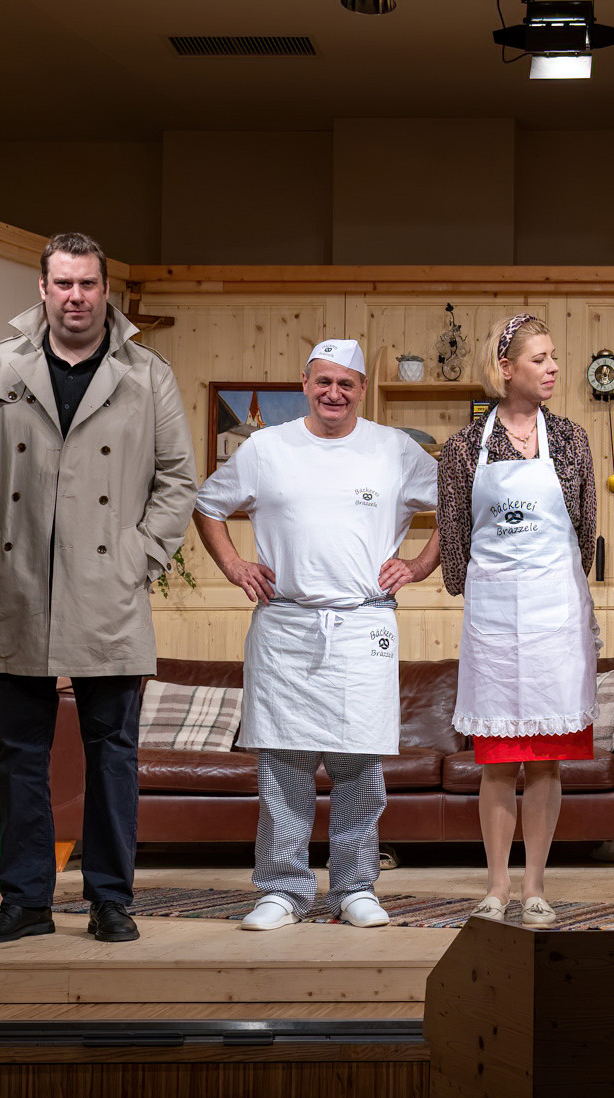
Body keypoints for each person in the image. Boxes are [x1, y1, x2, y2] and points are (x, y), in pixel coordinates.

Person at [0, 232, 197, 945]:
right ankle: (25, 902)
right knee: (18, 754)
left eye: (87, 284)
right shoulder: (0, 366)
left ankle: (111, 900)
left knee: (111, 753)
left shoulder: (148, 374)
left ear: (105, 290)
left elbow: (178, 477)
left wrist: (140, 556)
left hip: (107, 586)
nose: (76, 297)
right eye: (63, 284)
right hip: (15, 582)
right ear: (43, 289)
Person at [193, 339, 439, 931]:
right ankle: (282, 891)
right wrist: (235, 566)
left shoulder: (394, 448)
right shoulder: (265, 448)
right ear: (305, 385)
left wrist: (418, 566)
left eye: (346, 383)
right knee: (283, 767)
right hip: (286, 625)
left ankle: (355, 888)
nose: (334, 393)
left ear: (362, 389)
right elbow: (207, 504)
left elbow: (457, 506)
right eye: (323, 382)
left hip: (363, 625)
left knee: (360, 769)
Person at [437, 314, 599, 927]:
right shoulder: (463, 448)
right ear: (505, 369)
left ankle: (534, 886)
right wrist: (486, 590)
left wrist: (553, 587)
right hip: (495, 625)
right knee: (500, 762)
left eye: (554, 357)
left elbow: (585, 529)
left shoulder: (573, 440)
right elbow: (454, 540)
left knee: (547, 762)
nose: (553, 368)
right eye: (539, 358)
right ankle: (497, 886)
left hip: (555, 619)